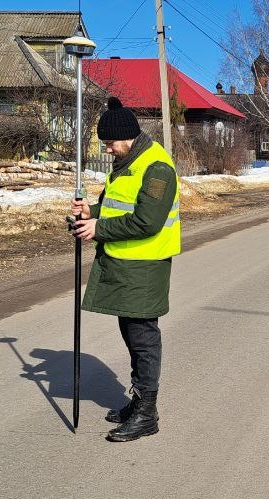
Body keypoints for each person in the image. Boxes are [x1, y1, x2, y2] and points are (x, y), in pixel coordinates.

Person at [70, 97, 180, 443]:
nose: (107, 148)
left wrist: (98, 229)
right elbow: (116, 204)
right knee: (130, 332)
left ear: (128, 136)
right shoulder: (127, 163)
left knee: (143, 336)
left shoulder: (156, 168)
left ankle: (147, 413)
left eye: (110, 141)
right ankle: (138, 402)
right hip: (124, 263)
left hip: (145, 265)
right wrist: (91, 210)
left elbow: (147, 221)